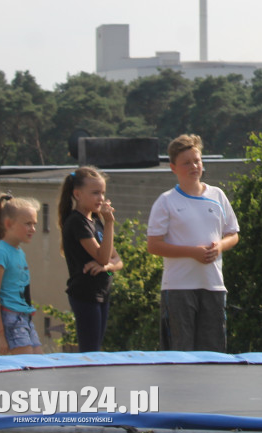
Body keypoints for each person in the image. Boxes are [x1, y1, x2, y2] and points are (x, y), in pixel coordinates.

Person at [147, 134, 240, 352]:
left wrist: (220, 246)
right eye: (186, 163)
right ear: (173, 168)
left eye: (197, 161)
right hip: (179, 287)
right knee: (181, 351)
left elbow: (233, 234)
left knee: (213, 352)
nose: (193, 166)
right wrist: (192, 252)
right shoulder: (166, 201)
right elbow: (154, 245)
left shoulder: (217, 196)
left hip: (213, 284)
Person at [58, 166, 124, 352]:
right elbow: (103, 257)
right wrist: (110, 222)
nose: (101, 198)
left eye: (102, 193)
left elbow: (117, 260)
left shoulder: (95, 221)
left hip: (102, 293)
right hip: (85, 294)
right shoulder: (78, 222)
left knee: (96, 347)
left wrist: (107, 267)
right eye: (95, 193)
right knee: (90, 349)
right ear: (77, 194)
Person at [0, 195, 42, 355]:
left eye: (34, 224)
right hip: (11, 319)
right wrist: (0, 335)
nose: (33, 229)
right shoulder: (1, 252)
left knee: (40, 361)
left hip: (24, 317)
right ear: (9, 224)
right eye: (28, 224)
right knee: (26, 365)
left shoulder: (19, 252)